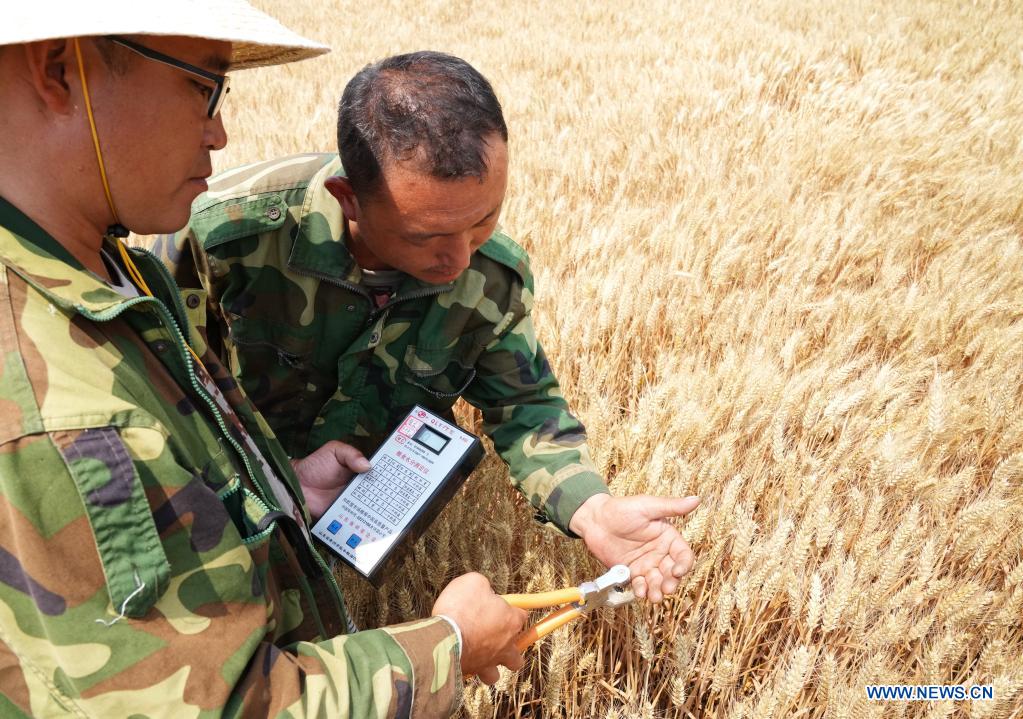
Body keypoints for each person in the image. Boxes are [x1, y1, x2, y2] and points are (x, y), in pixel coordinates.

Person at [0, 6, 526, 717]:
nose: (220, 130)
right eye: (203, 87)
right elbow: (224, 705)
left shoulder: (104, 268)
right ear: (61, 71)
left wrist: (277, 491)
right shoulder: (61, 414)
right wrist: (449, 645)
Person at [156, 51, 701, 604]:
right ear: (349, 200)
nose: (461, 260)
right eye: (426, 237)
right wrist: (269, 482)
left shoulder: (492, 276)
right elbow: (159, 391)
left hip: (368, 537)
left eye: (484, 219)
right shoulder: (225, 236)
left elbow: (525, 406)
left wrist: (593, 509)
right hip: (225, 518)